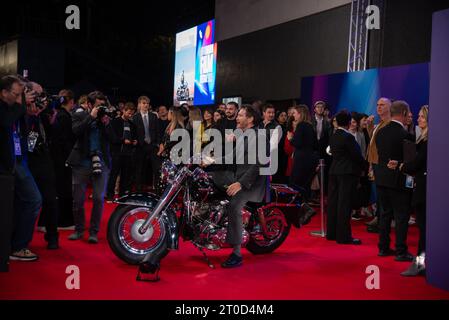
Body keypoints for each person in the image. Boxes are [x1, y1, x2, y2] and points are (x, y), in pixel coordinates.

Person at [208, 105, 267, 268]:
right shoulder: (244, 136)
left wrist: (241, 184)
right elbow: (232, 156)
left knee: (234, 206)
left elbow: (258, 164)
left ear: (250, 119)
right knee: (209, 178)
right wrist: (210, 160)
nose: (237, 118)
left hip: (253, 182)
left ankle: (236, 254)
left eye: (240, 115)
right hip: (240, 177)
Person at [1, 75, 42, 266]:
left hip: (17, 161)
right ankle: (17, 246)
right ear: (4, 93)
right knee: (34, 199)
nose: (21, 97)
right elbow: (7, 122)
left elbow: (25, 133)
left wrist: (31, 113)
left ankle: (15, 244)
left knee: (22, 203)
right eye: (17, 94)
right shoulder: (6, 110)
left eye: (22, 94)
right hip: (9, 165)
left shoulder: (16, 109)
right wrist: (22, 104)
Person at [66, 91, 113, 244]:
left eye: (103, 106)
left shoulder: (107, 118)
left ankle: (94, 232)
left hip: (102, 162)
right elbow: (76, 131)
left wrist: (106, 124)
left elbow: (113, 138)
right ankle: (79, 230)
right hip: (81, 163)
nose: (101, 109)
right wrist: (91, 117)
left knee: (99, 199)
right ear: (90, 104)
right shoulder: (79, 115)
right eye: (98, 106)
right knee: (78, 200)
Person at [388, 105, 428, 276]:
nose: (418, 119)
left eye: (421, 117)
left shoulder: (427, 141)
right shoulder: (423, 139)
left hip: (424, 190)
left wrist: (402, 166)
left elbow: (418, 163)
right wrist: (401, 165)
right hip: (422, 187)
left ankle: (420, 264)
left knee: (424, 231)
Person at [375, 100, 414, 262]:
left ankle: (383, 248)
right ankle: (400, 250)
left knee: (384, 214)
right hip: (399, 181)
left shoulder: (381, 132)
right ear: (404, 113)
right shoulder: (405, 135)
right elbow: (410, 162)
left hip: (382, 179)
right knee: (401, 216)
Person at [24, 81, 60, 250]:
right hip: (26, 159)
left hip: (44, 157)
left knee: (51, 199)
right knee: (27, 201)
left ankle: (52, 237)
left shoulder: (44, 114)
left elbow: (53, 134)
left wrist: (50, 116)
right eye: (37, 95)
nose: (41, 98)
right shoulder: (21, 111)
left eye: (42, 95)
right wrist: (31, 114)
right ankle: (22, 239)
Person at [326, 110, 366, 245]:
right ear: (349, 123)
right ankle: (343, 237)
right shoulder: (348, 137)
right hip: (347, 173)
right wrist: (366, 167)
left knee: (333, 203)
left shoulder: (334, 135)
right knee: (344, 204)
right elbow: (356, 155)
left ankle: (331, 233)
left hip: (334, 172)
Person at [365, 98, 392, 233]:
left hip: (383, 165)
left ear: (390, 107)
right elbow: (373, 142)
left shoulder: (390, 123)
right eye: (377, 105)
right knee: (379, 195)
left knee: (383, 196)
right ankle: (380, 219)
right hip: (376, 163)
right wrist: (370, 127)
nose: (378, 107)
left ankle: (382, 221)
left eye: (382, 105)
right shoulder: (380, 124)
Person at [51, 91, 76, 230]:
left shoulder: (58, 114)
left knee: (57, 190)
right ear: (71, 101)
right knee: (64, 190)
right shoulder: (64, 117)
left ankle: (51, 222)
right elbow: (66, 140)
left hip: (58, 158)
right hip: (63, 159)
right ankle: (63, 222)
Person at [106, 102, 138, 201]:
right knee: (114, 174)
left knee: (125, 176)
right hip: (116, 153)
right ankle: (110, 195)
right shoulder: (114, 122)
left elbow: (134, 137)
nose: (130, 115)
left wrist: (135, 141)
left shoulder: (132, 125)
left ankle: (122, 196)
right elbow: (112, 138)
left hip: (128, 154)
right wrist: (123, 141)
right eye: (128, 113)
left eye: (132, 114)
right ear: (123, 111)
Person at [287, 105, 319, 201]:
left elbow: (298, 143)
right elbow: (316, 145)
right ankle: (304, 207)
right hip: (310, 160)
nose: (293, 115)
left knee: (295, 185)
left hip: (301, 161)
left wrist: (290, 138)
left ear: (300, 114)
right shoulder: (310, 126)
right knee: (305, 186)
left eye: (295, 113)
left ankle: (297, 208)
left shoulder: (301, 126)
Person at [133, 96, 160, 191]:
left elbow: (158, 131)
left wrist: (158, 143)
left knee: (157, 168)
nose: (146, 105)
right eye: (144, 103)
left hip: (152, 146)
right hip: (140, 146)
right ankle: (139, 190)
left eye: (147, 103)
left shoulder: (153, 116)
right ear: (139, 104)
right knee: (139, 169)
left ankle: (157, 189)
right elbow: (134, 132)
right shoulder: (135, 117)